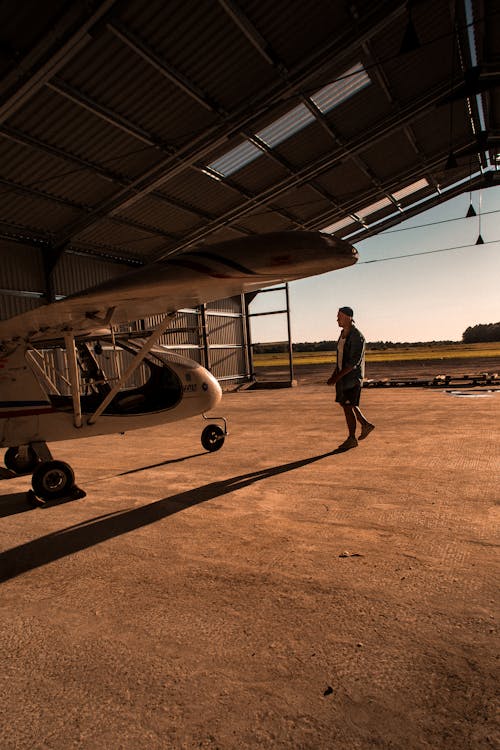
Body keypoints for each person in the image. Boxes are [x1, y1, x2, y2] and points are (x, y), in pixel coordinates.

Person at [327, 306, 375, 450]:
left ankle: (352, 437)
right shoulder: (342, 334)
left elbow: (353, 362)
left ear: (349, 317)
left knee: (348, 405)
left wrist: (337, 377)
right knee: (346, 405)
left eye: (339, 316)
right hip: (342, 377)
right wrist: (335, 374)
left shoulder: (357, 337)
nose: (337, 319)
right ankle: (364, 425)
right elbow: (340, 359)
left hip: (352, 378)